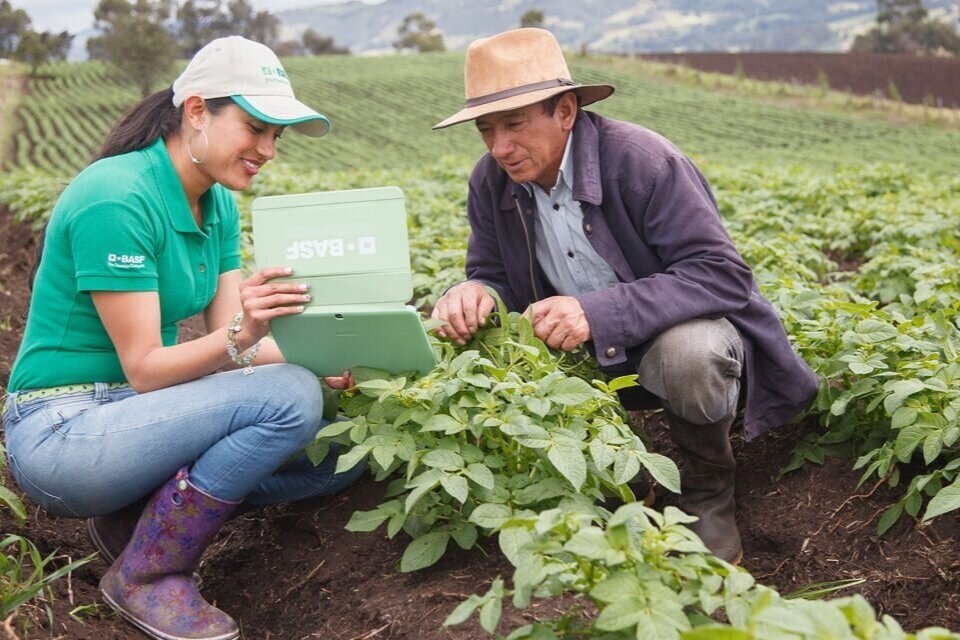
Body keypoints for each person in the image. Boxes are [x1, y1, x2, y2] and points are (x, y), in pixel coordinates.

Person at [2, 36, 364, 640]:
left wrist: (333, 357)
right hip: (62, 430)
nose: (269, 150)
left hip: (139, 417)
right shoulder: (116, 196)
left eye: (278, 136)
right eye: (256, 127)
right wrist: (249, 335)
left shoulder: (215, 202)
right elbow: (148, 366)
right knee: (290, 400)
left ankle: (135, 525)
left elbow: (238, 349)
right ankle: (147, 572)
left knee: (340, 447)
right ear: (197, 110)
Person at [430, 28, 819, 565]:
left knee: (691, 354)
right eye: (486, 130)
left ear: (565, 111)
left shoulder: (641, 161)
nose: (500, 147)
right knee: (487, 348)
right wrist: (470, 291)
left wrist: (595, 311)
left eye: (515, 124)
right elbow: (490, 271)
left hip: (663, 338)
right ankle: (630, 483)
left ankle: (707, 494)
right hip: (580, 351)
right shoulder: (491, 182)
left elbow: (721, 275)